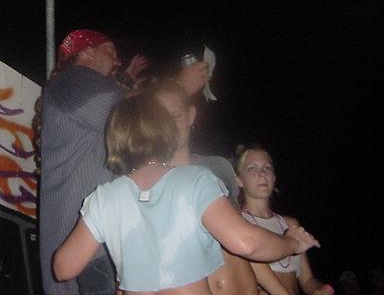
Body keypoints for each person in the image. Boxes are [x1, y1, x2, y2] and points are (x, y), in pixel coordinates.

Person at [54, 92, 320, 295]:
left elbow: (63, 268)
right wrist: (291, 243)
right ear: (165, 130)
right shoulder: (194, 180)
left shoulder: (104, 197)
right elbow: (246, 243)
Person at [38, 29, 209, 295]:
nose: (117, 60)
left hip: (101, 249)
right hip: (92, 252)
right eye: (110, 51)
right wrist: (180, 86)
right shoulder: (71, 80)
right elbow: (129, 115)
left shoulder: (82, 91)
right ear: (87, 52)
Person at [151, 79, 289, 295]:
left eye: (176, 115)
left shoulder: (218, 167)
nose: (169, 125)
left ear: (191, 115)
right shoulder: (148, 183)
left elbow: (243, 239)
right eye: (161, 118)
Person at [234, 145, 334, 295]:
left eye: (267, 167)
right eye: (252, 168)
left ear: (274, 178)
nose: (262, 173)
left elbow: (307, 280)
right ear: (239, 180)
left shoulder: (290, 225)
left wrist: (321, 289)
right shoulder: (236, 223)